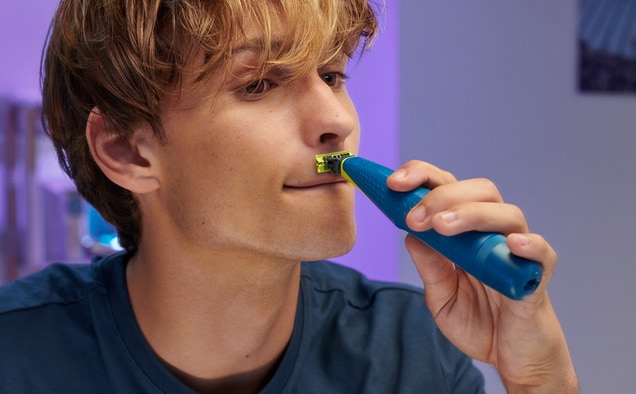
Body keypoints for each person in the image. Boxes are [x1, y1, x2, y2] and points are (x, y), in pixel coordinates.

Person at [0, 0, 578, 392]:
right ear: (128, 151)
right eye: (258, 84)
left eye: (332, 75)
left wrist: (537, 379)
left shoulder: (412, 353)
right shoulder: (16, 356)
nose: (336, 120)